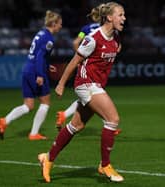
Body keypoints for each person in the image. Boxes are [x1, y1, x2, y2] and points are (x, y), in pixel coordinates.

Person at [38, 2, 126, 183]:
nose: (124, 18)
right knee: (113, 119)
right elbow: (75, 60)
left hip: (96, 84)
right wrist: (62, 83)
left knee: (76, 126)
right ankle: (105, 165)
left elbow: (114, 50)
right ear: (109, 17)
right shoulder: (93, 38)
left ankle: (48, 158)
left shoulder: (116, 37)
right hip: (85, 83)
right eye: (120, 15)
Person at [56, 3, 121, 136]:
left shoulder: (85, 28)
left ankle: (65, 115)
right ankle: (109, 124)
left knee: (86, 102)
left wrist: (82, 56)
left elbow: (75, 42)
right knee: (95, 100)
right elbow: (118, 47)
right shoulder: (106, 31)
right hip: (90, 72)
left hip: (88, 65)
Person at [0, 10, 62, 140]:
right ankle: (34, 133)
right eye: (60, 24)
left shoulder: (40, 33)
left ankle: (5, 121)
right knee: (45, 103)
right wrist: (40, 74)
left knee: (28, 105)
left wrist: (46, 65)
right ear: (54, 24)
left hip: (27, 69)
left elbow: (37, 55)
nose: (61, 26)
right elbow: (39, 56)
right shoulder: (49, 38)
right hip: (35, 72)